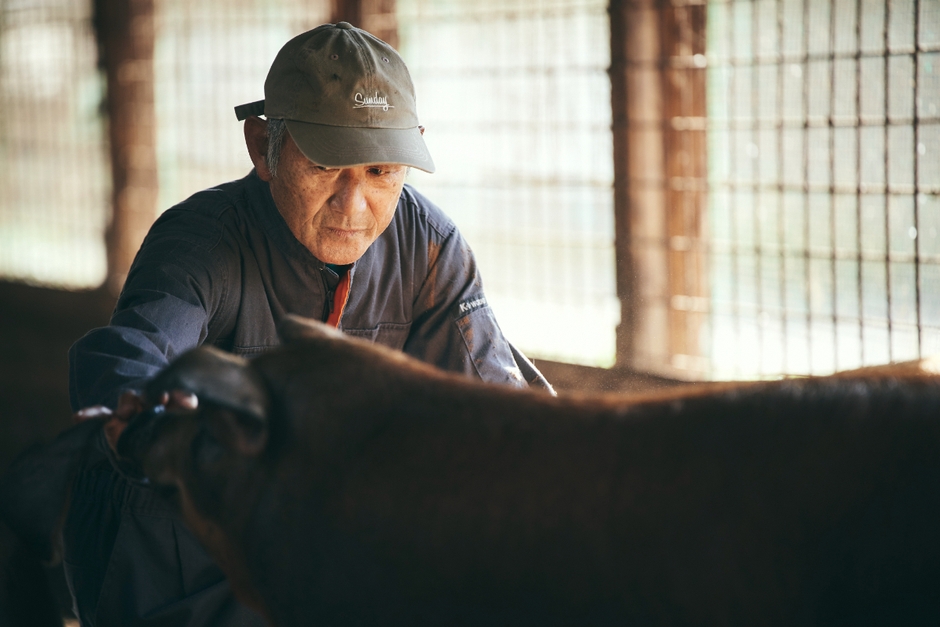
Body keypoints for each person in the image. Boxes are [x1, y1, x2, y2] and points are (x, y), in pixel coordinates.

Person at [65, 22, 551, 625]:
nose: (354, 206)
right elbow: (135, 355)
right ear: (263, 146)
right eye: (327, 167)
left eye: (381, 172)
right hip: (185, 558)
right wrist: (150, 418)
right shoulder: (201, 241)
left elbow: (498, 405)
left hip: (333, 554)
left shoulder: (429, 246)